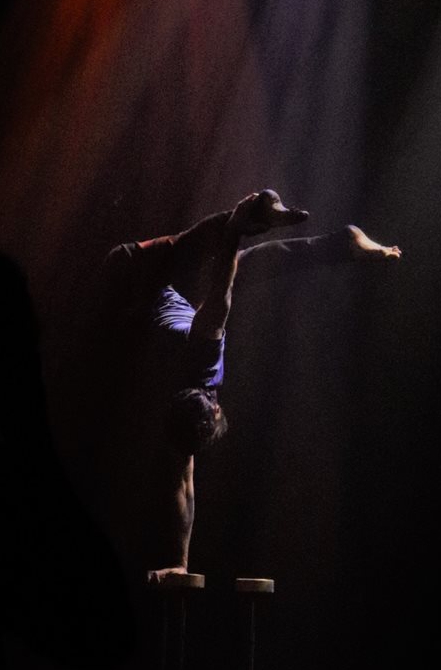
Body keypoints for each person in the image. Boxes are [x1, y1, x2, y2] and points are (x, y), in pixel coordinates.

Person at [85, 190, 401, 586]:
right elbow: (182, 489)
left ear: (216, 407)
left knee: (207, 253)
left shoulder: (204, 354)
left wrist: (236, 229)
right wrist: (179, 562)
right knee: (242, 265)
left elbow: (222, 288)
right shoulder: (181, 405)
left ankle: (258, 209)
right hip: (153, 298)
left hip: (127, 272)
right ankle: (340, 242)